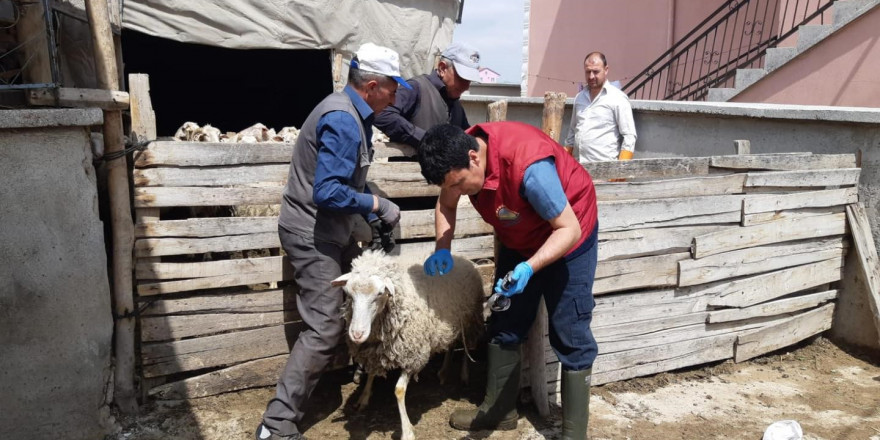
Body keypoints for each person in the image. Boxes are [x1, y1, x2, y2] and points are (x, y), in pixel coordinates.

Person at [255, 42, 410, 440]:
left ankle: (322, 385)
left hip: (328, 231)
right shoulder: (342, 120)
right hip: (312, 234)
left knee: (343, 312)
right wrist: (375, 203)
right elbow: (327, 191)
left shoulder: (351, 115)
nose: (396, 94)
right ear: (372, 85)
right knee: (325, 325)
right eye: (392, 86)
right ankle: (276, 426)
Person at [419, 122, 599, 440]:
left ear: (474, 158)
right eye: (452, 186)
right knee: (504, 318)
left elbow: (567, 229)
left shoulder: (529, 166)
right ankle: (500, 411)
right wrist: (442, 248)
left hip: (570, 233)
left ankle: (574, 433)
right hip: (522, 237)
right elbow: (445, 203)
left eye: (460, 184)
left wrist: (530, 268)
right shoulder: (454, 160)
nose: (458, 192)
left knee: (570, 330)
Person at [373, 42, 483, 148]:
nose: (466, 86)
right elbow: (383, 114)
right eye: (462, 78)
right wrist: (427, 140)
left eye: (469, 80)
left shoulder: (457, 106)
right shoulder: (416, 87)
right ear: (442, 68)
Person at [564, 51, 637, 164]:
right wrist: (565, 159)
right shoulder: (580, 97)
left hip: (605, 171)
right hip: (578, 168)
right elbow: (572, 132)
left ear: (606, 70)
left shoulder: (618, 98)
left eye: (596, 71)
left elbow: (629, 136)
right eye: (588, 72)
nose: (591, 76)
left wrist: (621, 170)